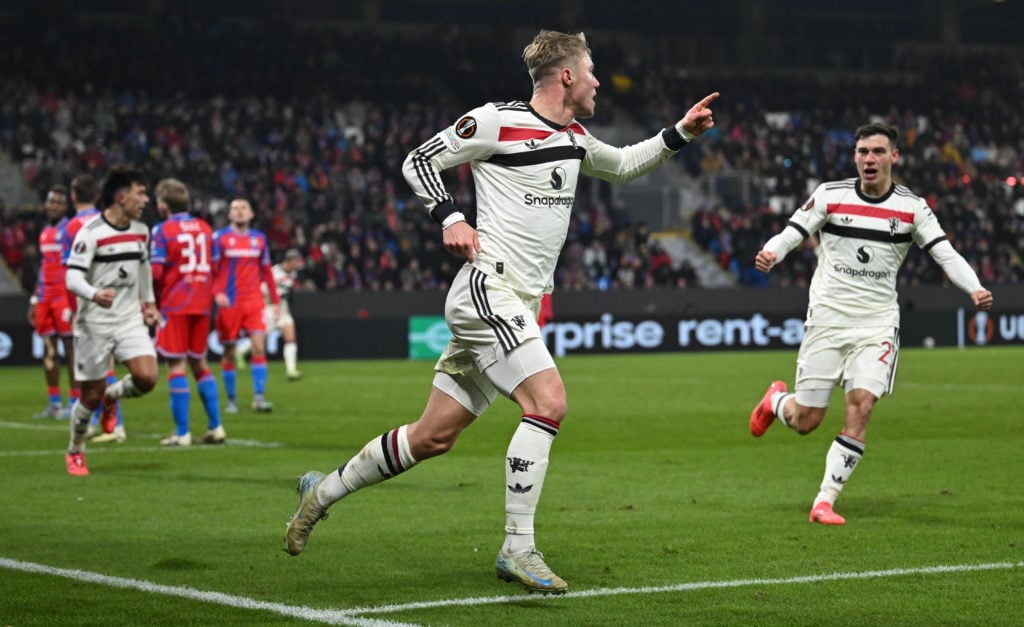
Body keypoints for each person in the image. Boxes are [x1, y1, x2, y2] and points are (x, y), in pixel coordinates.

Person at [283, 29, 718, 594]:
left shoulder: (577, 138)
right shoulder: (494, 120)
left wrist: (679, 134)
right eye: (590, 71)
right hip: (489, 288)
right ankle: (519, 547)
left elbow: (624, 165)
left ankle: (320, 493)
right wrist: (450, 218)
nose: (598, 81)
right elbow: (419, 162)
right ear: (566, 76)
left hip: (518, 303)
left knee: (433, 436)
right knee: (550, 401)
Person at [748, 122, 994, 525]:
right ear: (855, 157)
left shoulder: (912, 208)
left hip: (877, 325)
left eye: (878, 151)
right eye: (862, 151)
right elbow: (794, 230)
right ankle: (776, 401)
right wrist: (772, 252)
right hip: (827, 320)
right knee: (806, 421)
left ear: (894, 157)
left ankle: (824, 501)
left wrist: (975, 288)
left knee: (861, 405)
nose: (869, 159)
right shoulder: (831, 194)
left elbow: (945, 253)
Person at [63, 167, 161, 475]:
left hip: (128, 318)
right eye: (140, 193)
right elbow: (72, 276)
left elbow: (143, 269)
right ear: (121, 197)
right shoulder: (91, 233)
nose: (145, 199)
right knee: (89, 393)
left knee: (147, 378)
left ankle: (112, 395)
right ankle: (76, 449)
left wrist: (150, 304)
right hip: (94, 323)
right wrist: (93, 294)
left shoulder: (142, 230)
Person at [150, 178, 225, 447]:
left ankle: (181, 433)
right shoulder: (205, 228)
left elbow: (156, 273)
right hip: (202, 303)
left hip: (176, 302)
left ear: (163, 204)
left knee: (176, 365)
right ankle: (216, 427)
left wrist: (150, 299)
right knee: (200, 363)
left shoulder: (162, 230)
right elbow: (215, 265)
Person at [61, 174, 125, 441]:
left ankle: (114, 425)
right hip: (117, 298)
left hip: (89, 303)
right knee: (104, 365)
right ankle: (103, 422)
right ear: (98, 197)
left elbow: (71, 273)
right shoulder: (110, 222)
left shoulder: (71, 228)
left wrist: (71, 307)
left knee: (97, 368)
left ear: (73, 196)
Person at [211, 198, 280, 413]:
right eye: (235, 209)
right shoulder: (219, 238)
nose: (239, 212)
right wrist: (217, 293)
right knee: (230, 351)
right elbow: (211, 271)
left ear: (251, 214)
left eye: (243, 208)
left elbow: (267, 272)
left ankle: (259, 398)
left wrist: (275, 302)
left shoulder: (259, 239)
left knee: (259, 347)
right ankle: (231, 400)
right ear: (229, 215)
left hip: (254, 301)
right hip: (229, 303)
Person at [28, 185, 74, 419]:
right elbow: (43, 267)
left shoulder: (71, 229)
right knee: (49, 351)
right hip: (46, 297)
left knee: (71, 350)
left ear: (66, 207)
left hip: (65, 296)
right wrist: (35, 299)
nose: (53, 206)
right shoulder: (45, 232)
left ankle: (74, 403)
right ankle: (55, 403)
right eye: (50, 201)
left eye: (58, 202)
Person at [236, 248, 305, 380]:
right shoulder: (274, 273)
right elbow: (261, 289)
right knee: (261, 338)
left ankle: (291, 370)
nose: (297, 264)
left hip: (283, 309)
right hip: (269, 308)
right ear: (288, 261)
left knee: (290, 337)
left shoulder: (293, 273)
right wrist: (278, 295)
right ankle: (240, 351)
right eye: (296, 261)